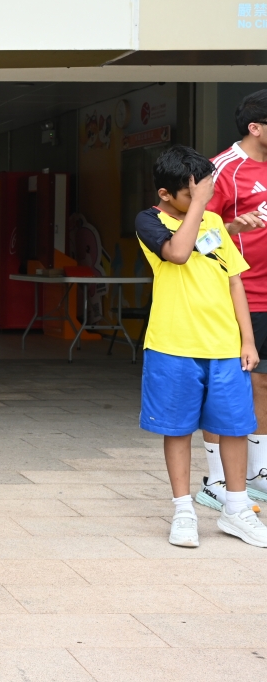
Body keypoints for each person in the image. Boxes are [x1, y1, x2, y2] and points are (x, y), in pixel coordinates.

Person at [135, 146, 267, 549]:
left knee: (235, 427)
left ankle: (237, 509)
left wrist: (247, 340)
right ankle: (183, 511)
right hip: (173, 345)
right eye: (192, 193)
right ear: (165, 194)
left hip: (225, 346)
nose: (203, 200)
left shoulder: (211, 221)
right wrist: (202, 204)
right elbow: (177, 253)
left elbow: (234, 281)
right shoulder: (149, 221)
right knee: (177, 429)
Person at [201, 91, 267, 511]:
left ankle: (258, 471)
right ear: (255, 128)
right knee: (231, 386)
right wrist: (232, 227)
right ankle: (216, 480)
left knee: (265, 383)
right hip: (240, 295)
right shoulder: (223, 169)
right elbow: (195, 237)